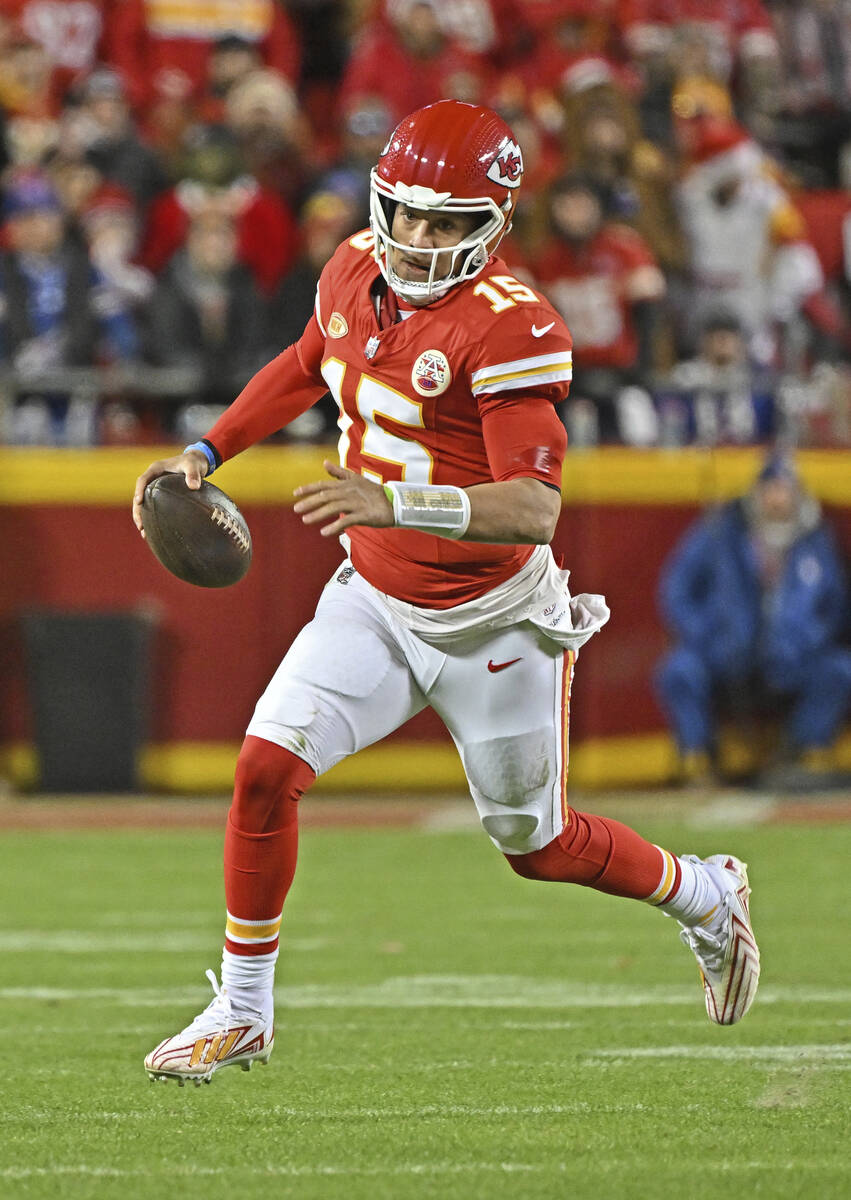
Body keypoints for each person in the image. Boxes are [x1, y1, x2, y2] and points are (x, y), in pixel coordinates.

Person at [132, 99, 760, 1086]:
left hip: (489, 621)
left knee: (535, 845)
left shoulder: (511, 328)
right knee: (262, 770)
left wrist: (394, 499)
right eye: (405, 212)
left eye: (446, 221)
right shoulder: (349, 266)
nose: (417, 239)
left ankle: (703, 895)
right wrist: (209, 449)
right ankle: (243, 1009)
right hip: (375, 597)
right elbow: (306, 367)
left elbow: (530, 509)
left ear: (494, 224)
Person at [655, 455, 851, 787]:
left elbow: (834, 604)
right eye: (769, 490)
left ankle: (804, 752)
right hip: (725, 653)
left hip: (793, 658)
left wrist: (809, 638)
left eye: (784, 490)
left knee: (840, 670)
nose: (776, 499)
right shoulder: (721, 531)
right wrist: (705, 633)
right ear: (756, 494)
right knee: (679, 670)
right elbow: (676, 589)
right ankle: (698, 758)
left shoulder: (814, 538)